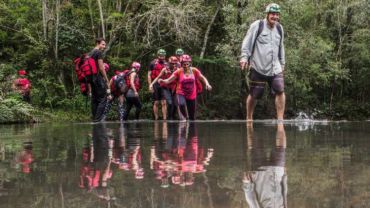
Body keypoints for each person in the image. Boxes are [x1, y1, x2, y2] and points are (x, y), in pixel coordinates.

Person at [240, 3, 285, 121]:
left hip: (275, 67)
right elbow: (247, 42)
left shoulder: (279, 28)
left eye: (277, 14)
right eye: (272, 14)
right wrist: (244, 57)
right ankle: (249, 117)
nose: (275, 17)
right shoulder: (257, 25)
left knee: (280, 90)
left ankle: (280, 120)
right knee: (255, 94)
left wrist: (282, 63)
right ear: (267, 14)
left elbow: (281, 47)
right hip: (258, 66)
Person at [242, 122, 287, 208]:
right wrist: (284, 178)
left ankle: (249, 123)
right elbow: (284, 197)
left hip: (260, 175)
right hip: (277, 174)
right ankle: (280, 122)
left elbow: (251, 199)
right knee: (281, 148)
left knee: (255, 146)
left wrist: (247, 184)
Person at [159, 55, 212, 121]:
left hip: (192, 94)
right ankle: (183, 122)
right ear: (181, 64)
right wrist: (162, 81)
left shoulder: (194, 70)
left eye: (187, 64)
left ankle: (191, 129)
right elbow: (168, 80)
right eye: (184, 64)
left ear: (190, 63)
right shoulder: (178, 72)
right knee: (181, 104)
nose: (186, 66)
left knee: (192, 118)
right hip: (181, 93)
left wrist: (207, 84)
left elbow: (203, 78)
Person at [89, 37, 110, 122]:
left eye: (105, 45)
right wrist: (107, 79)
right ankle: (97, 120)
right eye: (103, 44)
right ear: (97, 43)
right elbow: (101, 68)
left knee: (94, 99)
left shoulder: (90, 53)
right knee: (102, 100)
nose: (104, 46)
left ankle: (95, 118)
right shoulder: (98, 52)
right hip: (98, 78)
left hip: (91, 79)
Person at [148, 49, 169, 120]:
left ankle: (164, 118)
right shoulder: (152, 63)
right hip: (155, 84)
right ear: (158, 56)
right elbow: (149, 75)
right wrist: (150, 85)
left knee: (164, 102)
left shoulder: (167, 64)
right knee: (156, 102)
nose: (161, 57)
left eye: (163, 56)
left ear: (165, 56)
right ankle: (156, 118)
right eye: (160, 56)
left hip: (163, 83)